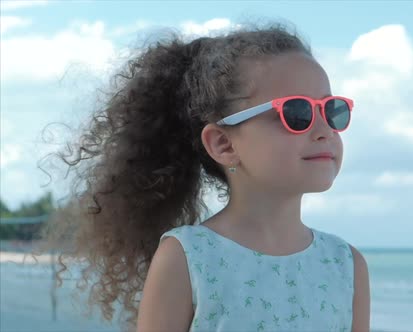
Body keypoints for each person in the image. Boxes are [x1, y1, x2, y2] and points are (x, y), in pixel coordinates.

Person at [38, 23, 369, 332]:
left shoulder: (346, 264)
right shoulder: (188, 257)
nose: (325, 130)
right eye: (298, 113)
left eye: (332, 110)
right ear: (223, 144)